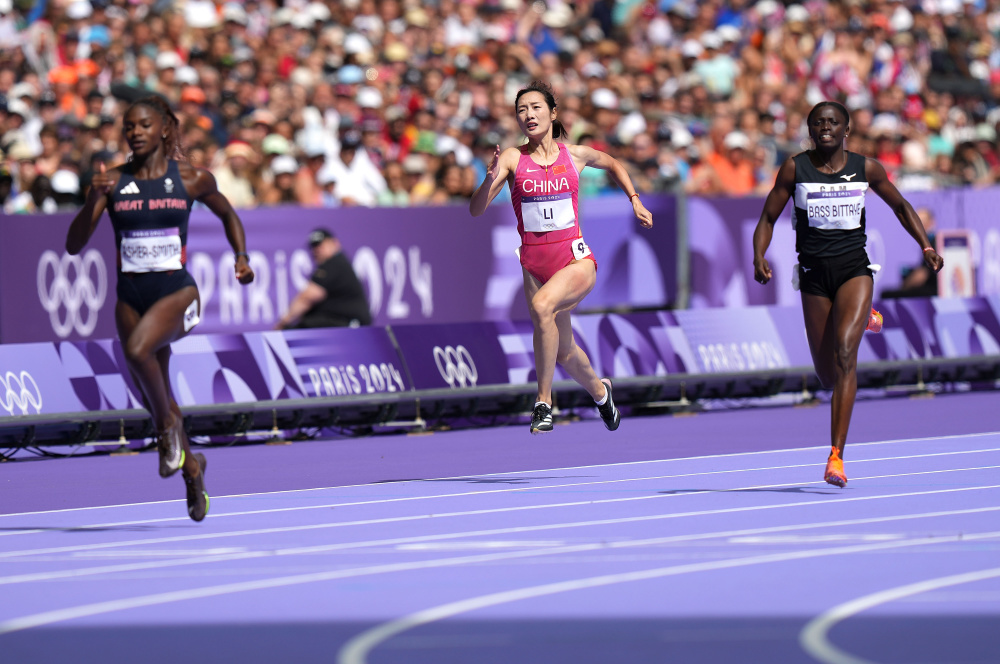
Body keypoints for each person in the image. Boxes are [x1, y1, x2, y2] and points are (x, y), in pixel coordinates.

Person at [65, 95, 255, 522]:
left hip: (178, 292)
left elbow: (228, 215)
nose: (134, 132)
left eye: (144, 125)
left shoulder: (192, 178)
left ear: (166, 129)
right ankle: (192, 467)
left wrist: (241, 255)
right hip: (130, 298)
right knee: (159, 395)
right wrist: (91, 199)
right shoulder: (110, 182)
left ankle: (166, 433)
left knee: (137, 352)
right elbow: (74, 245)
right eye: (129, 126)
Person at [752, 101, 943, 488]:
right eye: (818, 122)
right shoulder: (794, 167)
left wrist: (925, 246)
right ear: (810, 130)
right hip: (813, 277)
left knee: (844, 356)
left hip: (855, 271)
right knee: (826, 376)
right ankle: (862, 319)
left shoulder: (866, 168)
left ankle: (836, 455)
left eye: (833, 122)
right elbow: (768, 217)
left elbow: (902, 207)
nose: (826, 127)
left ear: (846, 130)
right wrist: (758, 254)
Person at [469, 81, 654, 434]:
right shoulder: (511, 158)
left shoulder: (576, 155)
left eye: (536, 107)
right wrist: (488, 179)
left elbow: (614, 163)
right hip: (534, 266)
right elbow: (476, 210)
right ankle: (602, 393)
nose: (529, 115)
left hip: (575, 261)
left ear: (553, 113)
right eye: (521, 110)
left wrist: (634, 199)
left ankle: (543, 402)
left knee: (541, 308)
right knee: (565, 352)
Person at [275, 228, 372, 329]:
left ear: (335, 243)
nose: (316, 250)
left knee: (294, 330)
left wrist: (282, 324)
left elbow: (306, 298)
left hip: (348, 325)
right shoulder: (338, 263)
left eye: (321, 245)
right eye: (313, 246)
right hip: (343, 324)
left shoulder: (334, 264)